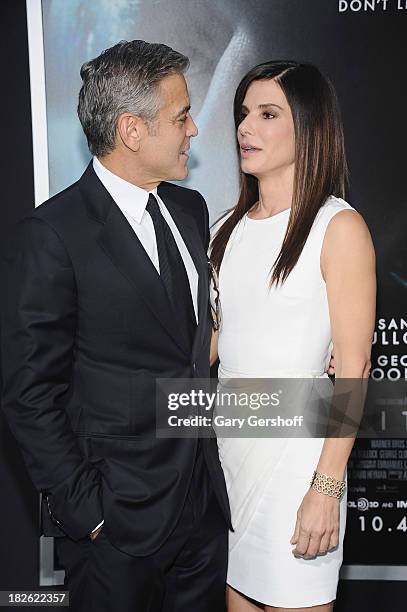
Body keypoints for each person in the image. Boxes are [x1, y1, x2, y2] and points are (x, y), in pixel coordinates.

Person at [1, 40, 232, 612]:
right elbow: (30, 395)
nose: (194, 130)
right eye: (180, 117)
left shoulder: (190, 210)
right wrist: (90, 514)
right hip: (117, 525)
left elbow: (190, 348)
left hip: (202, 511)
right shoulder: (54, 233)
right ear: (132, 130)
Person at [209, 61, 376, 611]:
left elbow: (352, 369)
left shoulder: (338, 228)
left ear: (309, 128)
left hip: (298, 466)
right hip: (229, 462)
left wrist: (326, 489)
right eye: (242, 114)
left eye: (267, 114)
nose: (244, 128)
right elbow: (210, 347)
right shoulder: (224, 229)